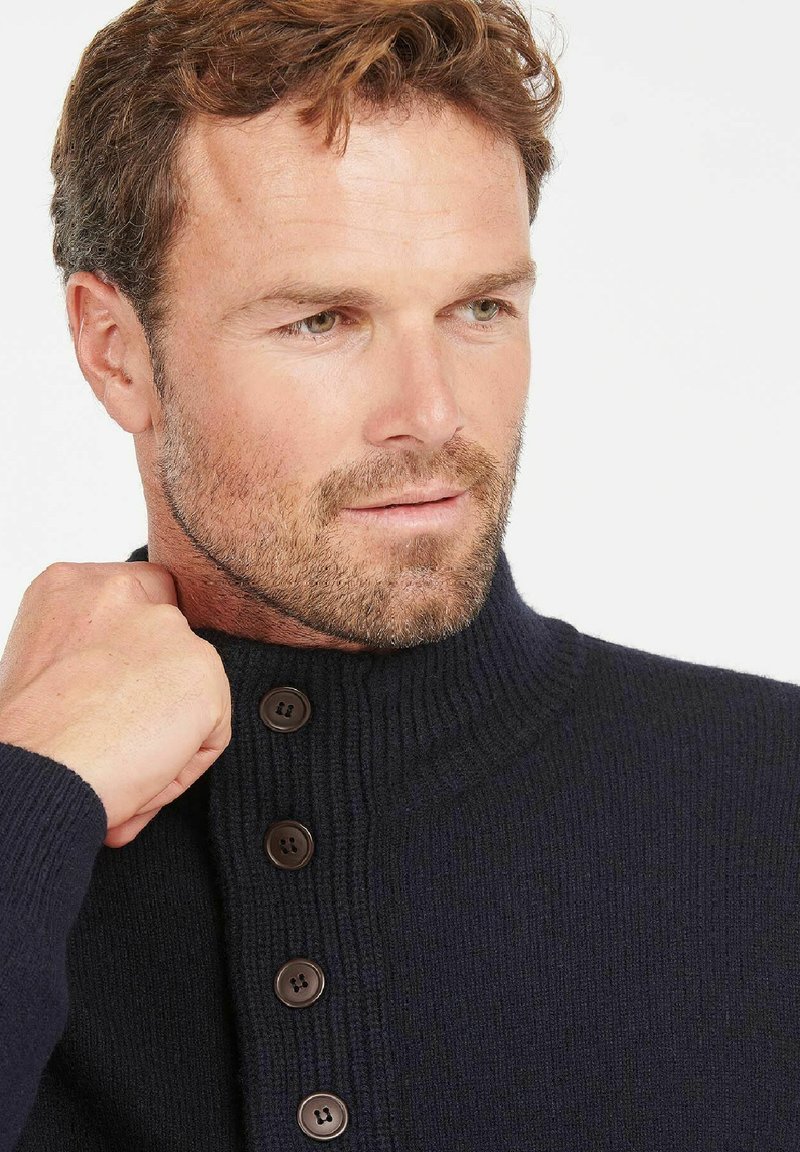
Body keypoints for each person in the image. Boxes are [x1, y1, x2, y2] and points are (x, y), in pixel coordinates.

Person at [0, 0, 798, 1148]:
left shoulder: (768, 798)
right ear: (114, 350)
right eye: (323, 321)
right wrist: (36, 785)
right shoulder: (25, 823)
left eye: (479, 308)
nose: (431, 414)